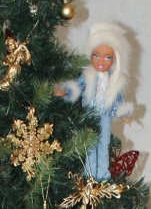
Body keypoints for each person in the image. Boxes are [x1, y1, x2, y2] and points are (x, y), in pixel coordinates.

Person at [55, 21, 134, 181]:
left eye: (107, 57)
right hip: (89, 114)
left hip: (105, 115)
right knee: (90, 144)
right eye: (96, 56)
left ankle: (103, 174)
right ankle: (89, 174)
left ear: (115, 59)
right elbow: (77, 86)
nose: (101, 62)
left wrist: (123, 113)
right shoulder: (87, 75)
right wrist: (66, 91)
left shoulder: (115, 81)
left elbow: (118, 99)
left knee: (104, 144)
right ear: (90, 55)